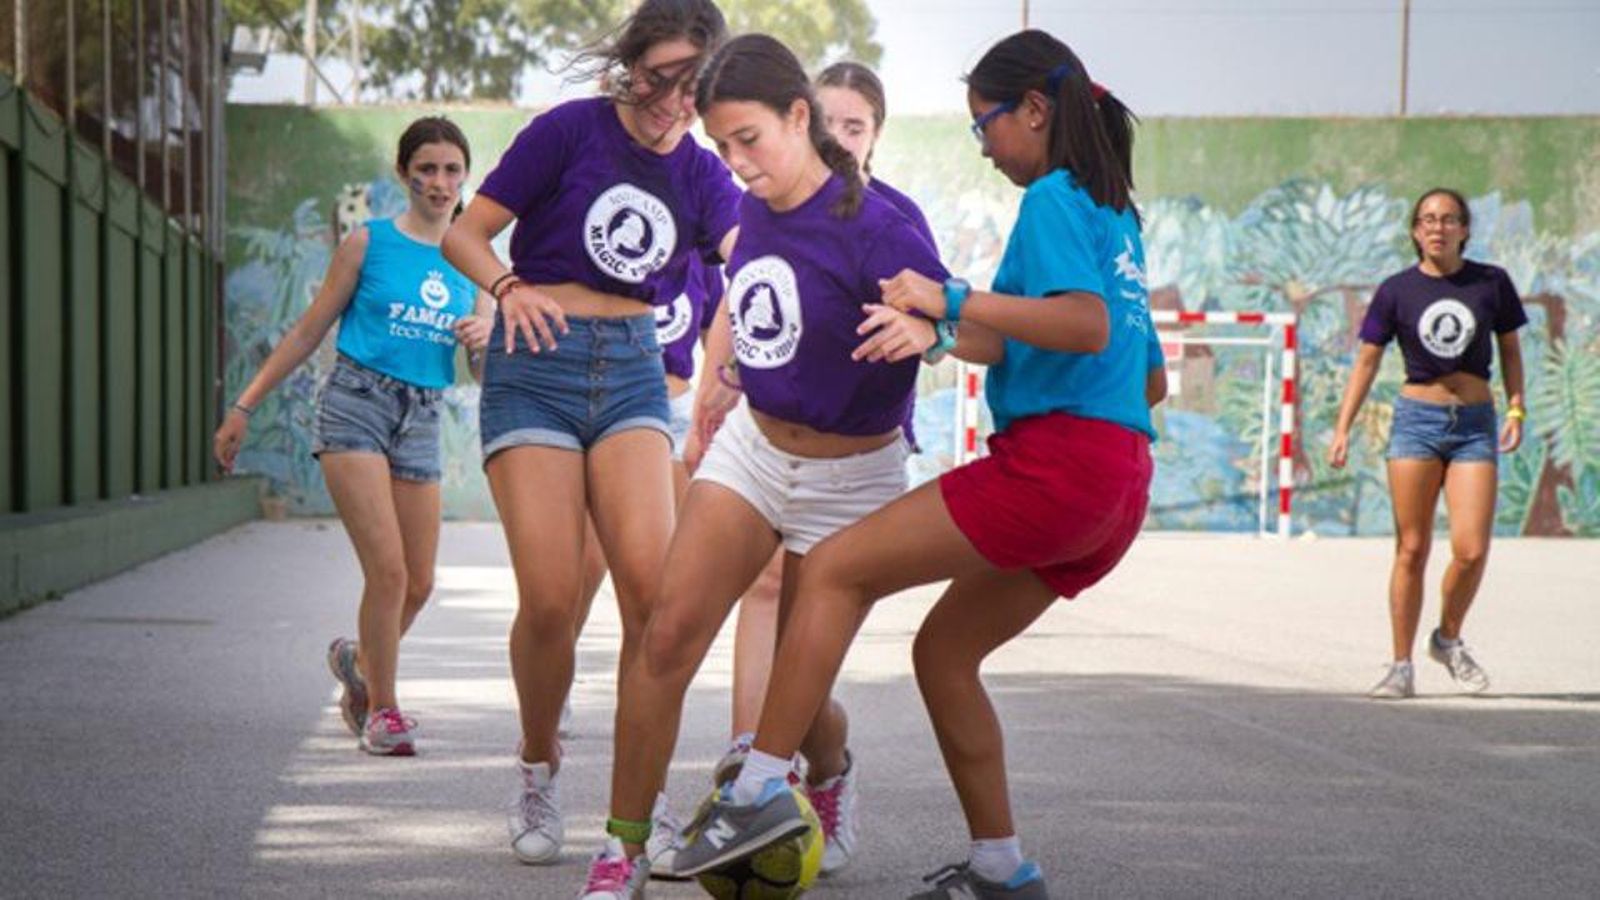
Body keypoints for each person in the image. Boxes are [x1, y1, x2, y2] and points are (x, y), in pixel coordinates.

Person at [673, 30, 1165, 900]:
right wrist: (946, 336)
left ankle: (756, 791)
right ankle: (1001, 866)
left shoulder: (1053, 198)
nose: (984, 147)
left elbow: (1084, 326)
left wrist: (953, 299)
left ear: (1035, 111)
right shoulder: (1115, 216)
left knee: (832, 570)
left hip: (1056, 466)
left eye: (985, 125)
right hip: (1120, 482)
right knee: (944, 655)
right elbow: (1145, 375)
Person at [575, 32, 950, 898]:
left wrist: (927, 330)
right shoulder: (753, 212)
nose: (737, 163)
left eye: (749, 139)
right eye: (722, 146)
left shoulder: (880, 225)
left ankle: (830, 771)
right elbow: (755, 304)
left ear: (797, 116)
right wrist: (724, 378)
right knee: (668, 634)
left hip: (852, 480)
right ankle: (624, 850)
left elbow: (958, 322)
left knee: (799, 690)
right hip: (755, 450)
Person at [439, 0, 740, 866]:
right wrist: (507, 289)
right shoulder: (569, 132)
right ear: (628, 64)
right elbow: (466, 233)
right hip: (536, 363)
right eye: (657, 78)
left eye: (692, 86)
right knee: (550, 598)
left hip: (634, 370)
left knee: (652, 601)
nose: (671, 102)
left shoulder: (703, 172)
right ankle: (538, 766)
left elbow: (753, 252)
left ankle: (641, 801)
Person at [214, 117, 491, 757]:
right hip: (356, 405)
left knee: (419, 582)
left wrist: (486, 340)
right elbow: (307, 331)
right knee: (388, 571)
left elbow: (482, 370)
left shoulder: (473, 263)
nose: (439, 182)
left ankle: (358, 661)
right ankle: (382, 712)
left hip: (422, 413)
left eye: (451, 170)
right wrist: (244, 406)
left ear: (464, 176)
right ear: (403, 174)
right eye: (426, 169)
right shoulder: (368, 243)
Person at [1329, 187, 1526, 700]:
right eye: (1428, 220)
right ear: (1416, 231)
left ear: (1465, 229)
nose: (1438, 227)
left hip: (1474, 425)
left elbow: (1510, 350)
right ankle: (1400, 666)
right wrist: (1343, 427)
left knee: (1471, 550)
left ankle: (1447, 637)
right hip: (1416, 422)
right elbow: (1367, 360)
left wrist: (1516, 407)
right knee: (1412, 548)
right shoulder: (1397, 290)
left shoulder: (1491, 283)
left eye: (1449, 219)